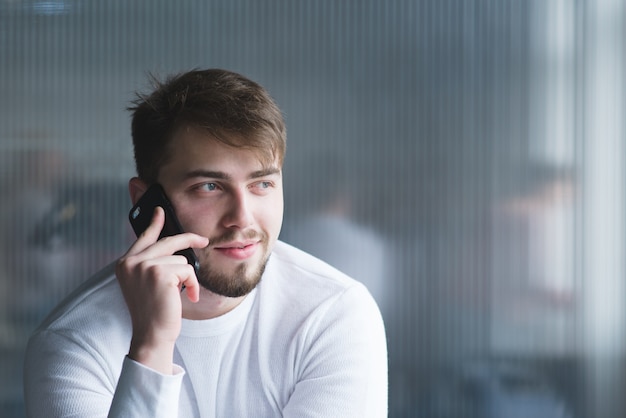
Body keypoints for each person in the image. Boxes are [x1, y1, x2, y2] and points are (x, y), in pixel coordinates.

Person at [23, 68, 388, 417]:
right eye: (209, 187)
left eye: (261, 184)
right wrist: (151, 349)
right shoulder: (72, 343)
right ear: (145, 201)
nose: (242, 218)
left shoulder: (331, 314)